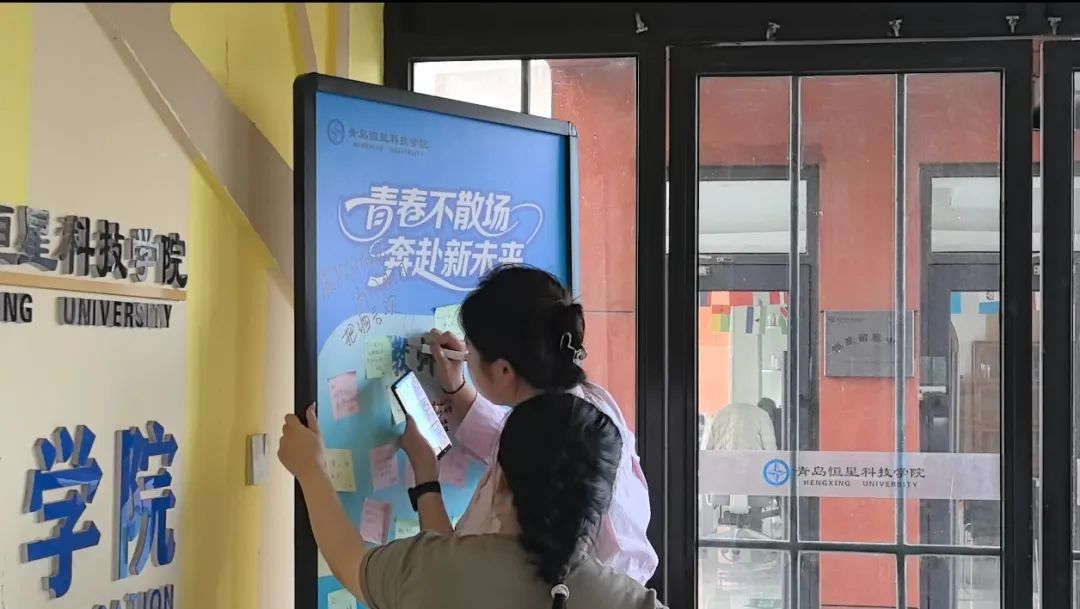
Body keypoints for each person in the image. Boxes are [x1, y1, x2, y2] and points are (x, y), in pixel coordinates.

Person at [278, 394, 667, 609]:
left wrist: (311, 471)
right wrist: (426, 482)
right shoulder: (635, 603)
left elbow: (348, 560)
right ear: (601, 505)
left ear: (500, 482)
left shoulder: (432, 570)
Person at [420, 264, 657, 584]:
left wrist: (425, 481)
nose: (465, 356)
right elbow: (518, 441)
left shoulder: (537, 461)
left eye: (470, 350)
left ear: (504, 371)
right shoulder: (590, 408)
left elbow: (455, 569)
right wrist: (458, 391)